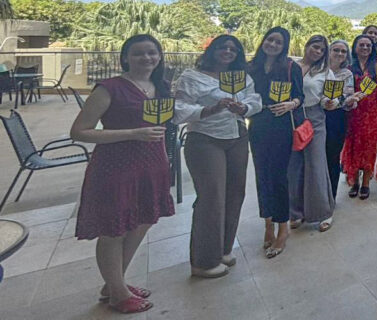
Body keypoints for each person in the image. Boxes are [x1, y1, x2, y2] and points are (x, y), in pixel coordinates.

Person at [71, 35, 175, 313]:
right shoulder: (110, 88)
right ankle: (118, 293)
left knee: (143, 221)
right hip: (116, 168)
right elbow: (79, 131)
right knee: (113, 231)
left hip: (152, 165)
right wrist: (132, 133)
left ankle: (114, 284)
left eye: (152, 52)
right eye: (139, 53)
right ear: (126, 57)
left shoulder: (161, 87)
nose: (146, 58)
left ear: (159, 56)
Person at [174, 35, 260, 278]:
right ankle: (203, 261)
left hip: (237, 136)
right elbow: (179, 108)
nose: (228, 51)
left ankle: (222, 249)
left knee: (235, 194)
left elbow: (254, 100)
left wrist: (245, 108)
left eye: (233, 49)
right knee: (211, 197)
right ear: (212, 50)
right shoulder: (192, 77)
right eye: (223, 47)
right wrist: (210, 109)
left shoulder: (242, 77)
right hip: (205, 138)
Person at [248, 26, 303, 259]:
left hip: (281, 127)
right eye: (270, 40)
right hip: (258, 125)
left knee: (279, 177)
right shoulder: (251, 67)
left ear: (284, 46)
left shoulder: (291, 67)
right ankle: (268, 224)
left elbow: (300, 96)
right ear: (263, 41)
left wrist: (291, 104)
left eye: (278, 42)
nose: (272, 45)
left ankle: (283, 228)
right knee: (262, 176)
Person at [288, 35, 335, 231]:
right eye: (315, 47)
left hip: (314, 117)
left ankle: (323, 212)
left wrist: (330, 102)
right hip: (291, 118)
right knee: (294, 167)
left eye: (322, 50)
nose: (318, 52)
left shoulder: (325, 72)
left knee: (316, 164)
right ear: (307, 45)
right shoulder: (291, 67)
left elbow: (329, 96)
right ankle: (295, 212)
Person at [342, 34, 377, 199]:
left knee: (369, 148)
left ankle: (365, 183)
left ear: (372, 49)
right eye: (361, 45)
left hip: (373, 113)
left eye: (368, 46)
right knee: (354, 147)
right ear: (355, 47)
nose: (365, 48)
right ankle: (354, 182)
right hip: (354, 112)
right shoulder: (348, 67)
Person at [324, 40, 356, 200]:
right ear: (329, 51)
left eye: (343, 51)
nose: (339, 54)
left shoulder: (347, 74)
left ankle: (331, 197)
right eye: (336, 50)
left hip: (336, 118)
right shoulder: (319, 70)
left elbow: (348, 97)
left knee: (332, 158)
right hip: (316, 117)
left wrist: (345, 101)